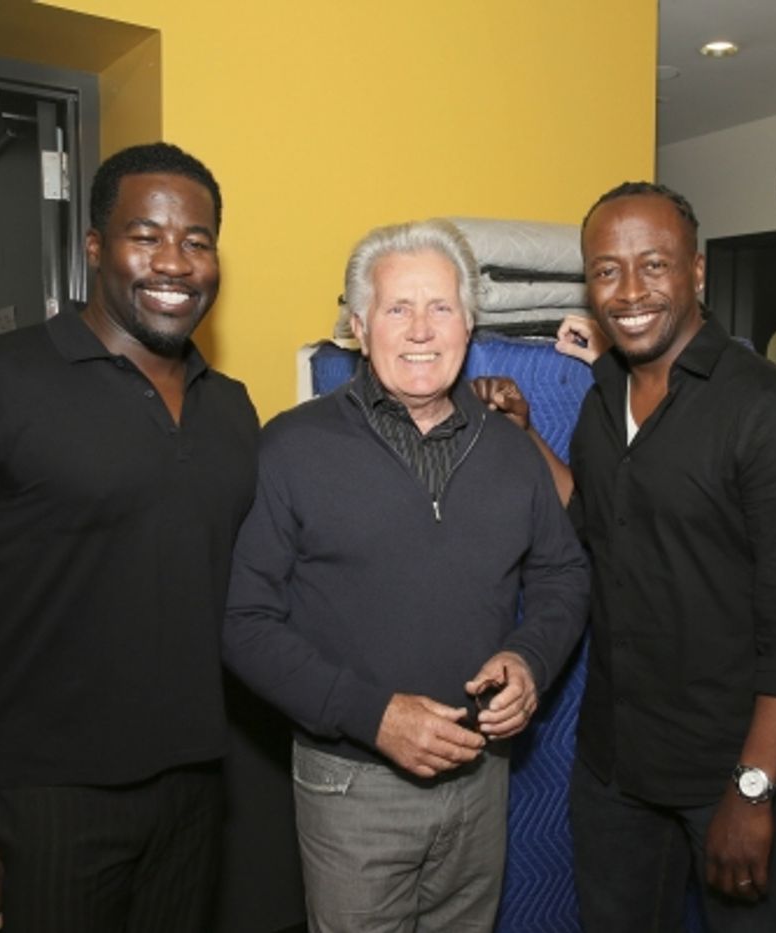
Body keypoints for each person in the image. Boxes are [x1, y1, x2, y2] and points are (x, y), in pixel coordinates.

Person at [0, 142, 259, 933]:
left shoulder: (232, 409)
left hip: (193, 788)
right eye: (144, 235)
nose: (174, 262)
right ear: (94, 248)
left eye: (198, 240)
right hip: (40, 799)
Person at [479, 181, 776, 932]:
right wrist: (525, 438)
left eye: (654, 264)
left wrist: (752, 789)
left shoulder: (769, 412)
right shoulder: (602, 392)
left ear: (697, 271)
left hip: (733, 766)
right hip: (617, 767)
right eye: (607, 270)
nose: (631, 289)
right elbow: (597, 512)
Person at [220, 218, 589, 933]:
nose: (422, 330)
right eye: (398, 308)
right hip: (352, 781)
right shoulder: (292, 447)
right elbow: (243, 623)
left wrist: (529, 658)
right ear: (359, 325)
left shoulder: (512, 451)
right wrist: (373, 715)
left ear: (469, 322)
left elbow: (564, 576)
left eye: (441, 307)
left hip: (482, 778)